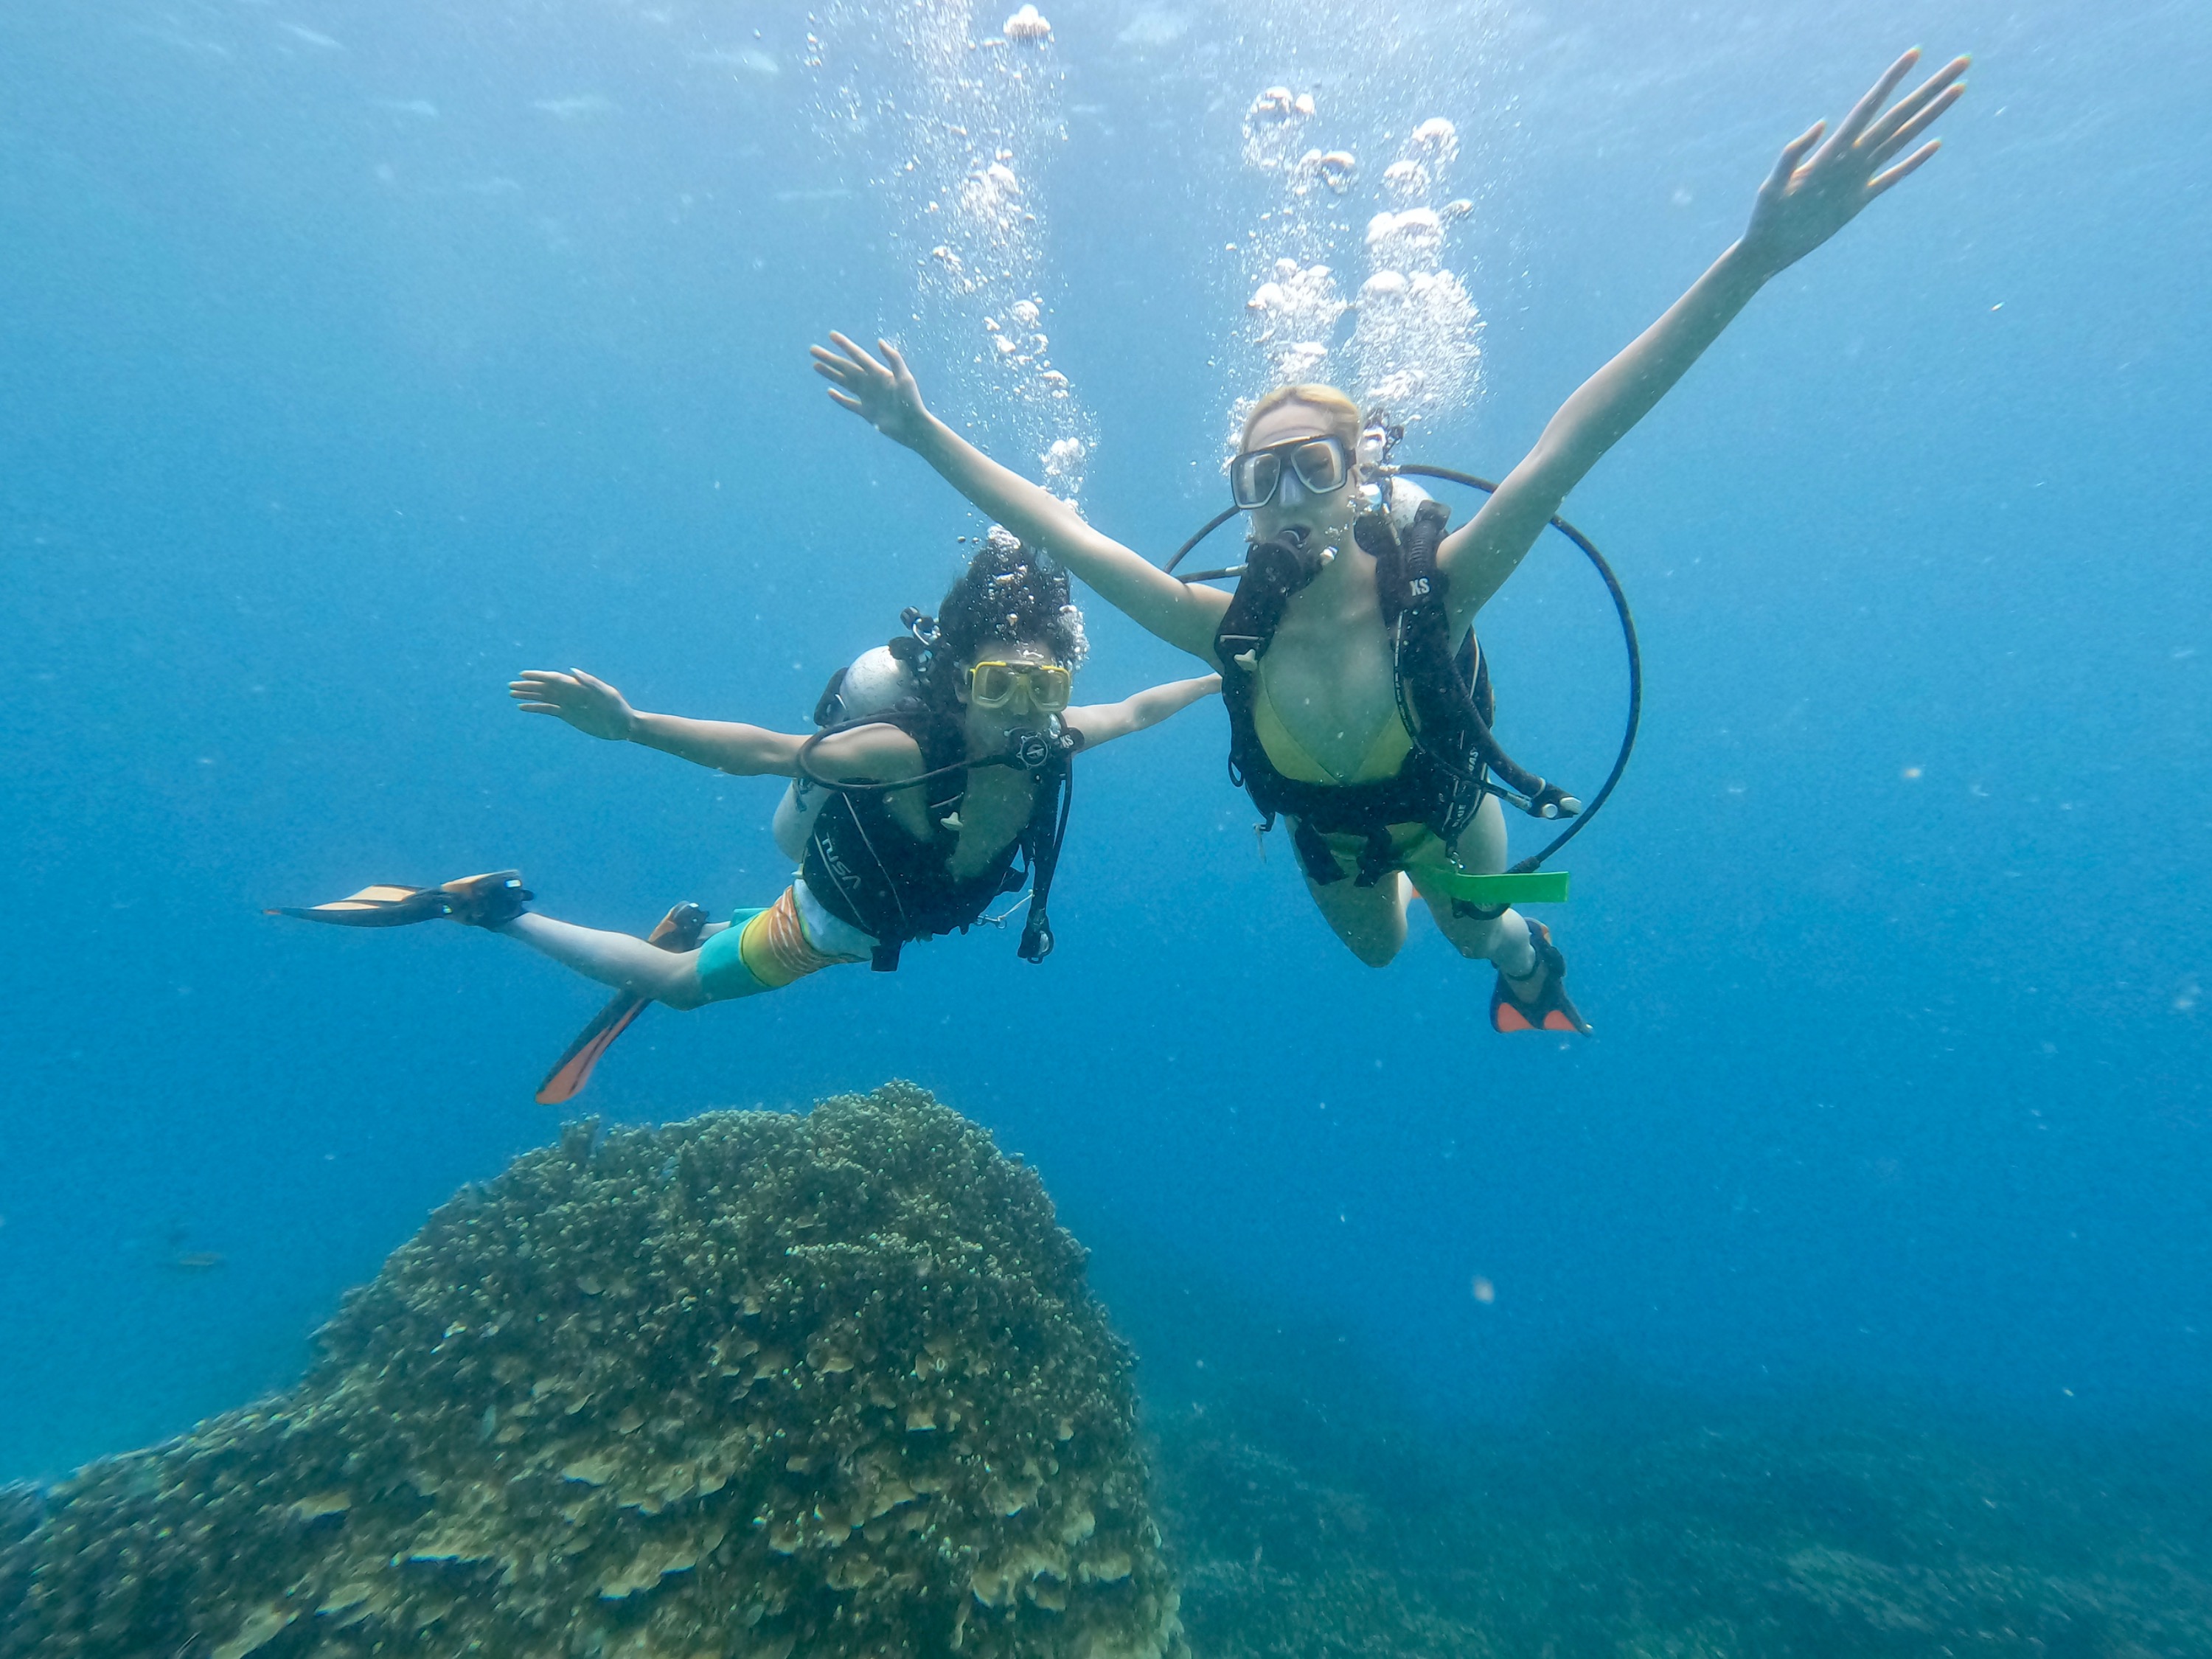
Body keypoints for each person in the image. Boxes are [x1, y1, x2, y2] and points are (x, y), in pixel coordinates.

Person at [810, 49, 1969, 1037]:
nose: (1288, 491)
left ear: (1363, 475)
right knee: (1377, 956)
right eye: (1261, 476)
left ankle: (1525, 953)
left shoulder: (1436, 596)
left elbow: (1576, 439)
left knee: (1475, 939)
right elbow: (1055, 524)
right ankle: (1454, 909)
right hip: (1330, 836)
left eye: (1317, 463)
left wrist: (1750, 260)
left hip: (1446, 805)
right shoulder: (1226, 628)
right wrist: (920, 433)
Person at [271, 539, 1217, 1096]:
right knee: (680, 988)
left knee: (709, 953)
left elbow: (1141, 707)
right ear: (959, 683)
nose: (1022, 707)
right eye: (997, 683)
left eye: (1044, 685)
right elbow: (762, 750)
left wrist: (1232, 673)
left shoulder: (1061, 740)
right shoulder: (906, 751)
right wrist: (632, 726)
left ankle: (698, 923)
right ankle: (495, 905)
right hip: (829, 922)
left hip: (887, 911)